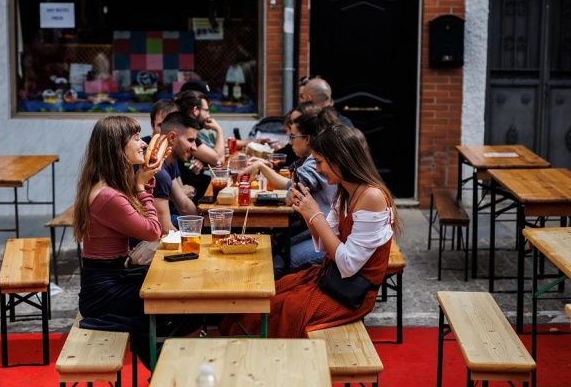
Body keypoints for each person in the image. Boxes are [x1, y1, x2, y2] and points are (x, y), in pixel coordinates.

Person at [220, 125, 401, 337]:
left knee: (275, 310)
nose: (318, 169)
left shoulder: (372, 197)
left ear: (339, 159)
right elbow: (325, 245)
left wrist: (315, 215)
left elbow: (348, 264)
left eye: (319, 161)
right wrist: (307, 214)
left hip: (350, 296)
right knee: (265, 296)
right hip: (330, 279)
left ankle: (270, 360)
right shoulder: (345, 190)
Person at [72, 115, 199, 369]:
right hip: (104, 292)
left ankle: (165, 366)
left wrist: (143, 183)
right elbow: (152, 231)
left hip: (114, 278)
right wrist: (141, 188)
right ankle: (170, 368)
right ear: (117, 147)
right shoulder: (108, 196)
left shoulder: (109, 186)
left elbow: (144, 220)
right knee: (188, 301)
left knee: (183, 294)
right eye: (135, 138)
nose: (143, 143)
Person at [242, 108, 340, 272]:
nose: (289, 142)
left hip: (331, 235)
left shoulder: (316, 163)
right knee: (277, 246)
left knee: (279, 261)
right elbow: (291, 189)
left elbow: (291, 195)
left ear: (308, 139)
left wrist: (263, 169)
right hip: (323, 231)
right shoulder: (317, 159)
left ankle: (276, 294)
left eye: (292, 137)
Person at [150, 112, 202, 233]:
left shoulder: (169, 162)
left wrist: (202, 226)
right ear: (172, 138)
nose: (195, 148)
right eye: (190, 140)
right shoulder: (157, 171)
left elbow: (183, 204)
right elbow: (164, 229)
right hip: (140, 245)